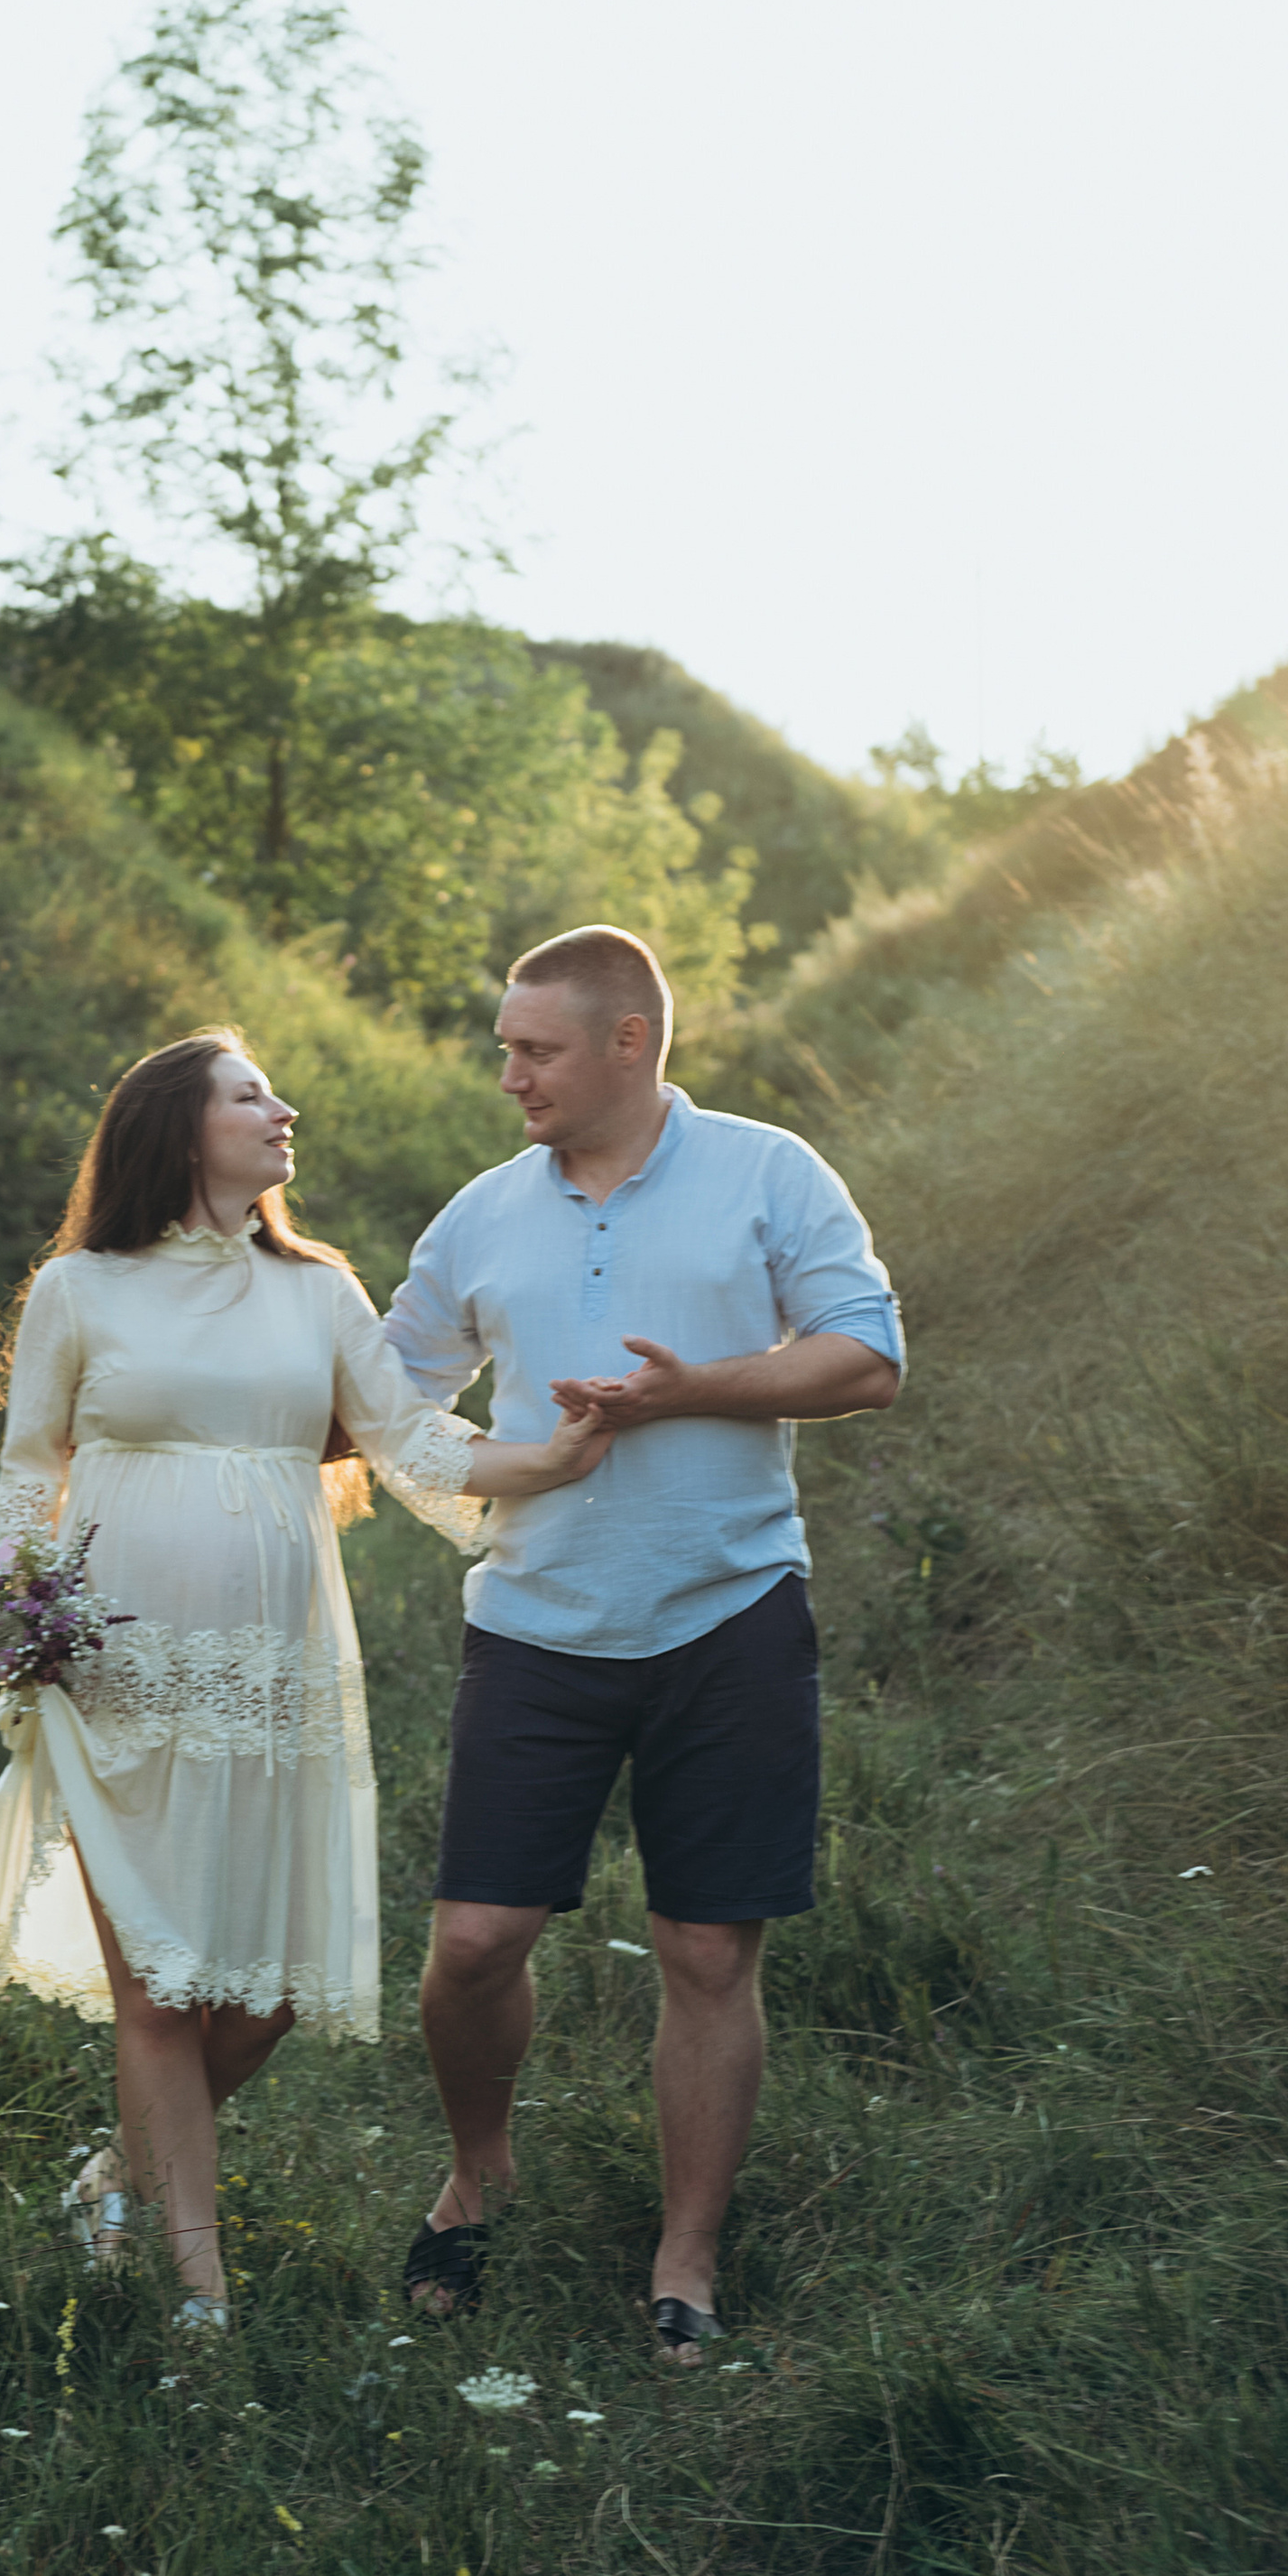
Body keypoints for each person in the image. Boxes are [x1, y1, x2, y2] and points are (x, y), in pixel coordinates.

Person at [0, 1028, 609, 2331]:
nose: (284, 1112)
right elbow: (30, 1466)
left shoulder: (317, 1289)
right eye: (250, 1095)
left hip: (275, 1677)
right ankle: (199, 2299)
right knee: (160, 1988)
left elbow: (408, 1438)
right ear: (178, 1127)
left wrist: (545, 1463)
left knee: (260, 1998)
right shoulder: (79, 1290)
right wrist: (18, 1618)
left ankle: (117, 2177)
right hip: (115, 1673)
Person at [384, 924, 903, 2361]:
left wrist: (694, 1391)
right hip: (536, 1624)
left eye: (535, 1050)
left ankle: (685, 2258)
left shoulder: (768, 1172)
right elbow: (386, 1400)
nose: (510, 1075)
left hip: (730, 1615)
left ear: (629, 1042)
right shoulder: (481, 1214)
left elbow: (867, 1355)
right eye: (506, 1048)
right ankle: (479, 2174)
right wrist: (506, 1466)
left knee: (707, 1949)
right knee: (476, 1942)